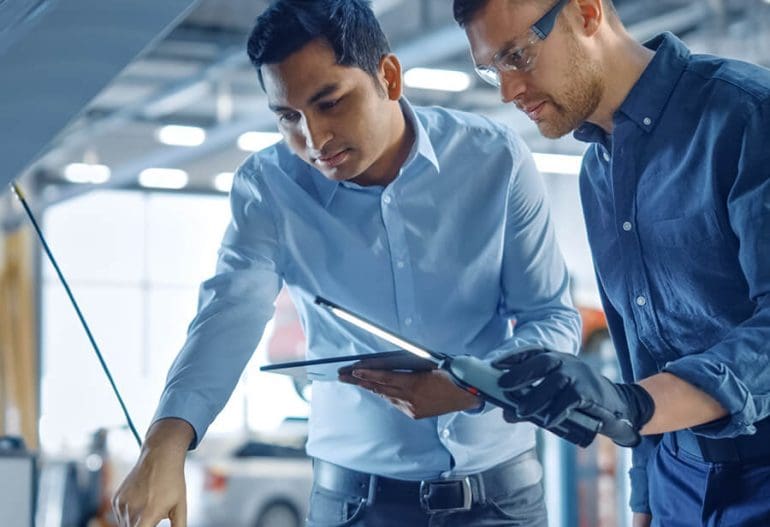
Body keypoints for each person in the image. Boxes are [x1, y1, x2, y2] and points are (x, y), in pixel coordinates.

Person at [112, 1, 582, 525]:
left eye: (330, 102)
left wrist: (471, 387)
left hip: (501, 499)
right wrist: (166, 442)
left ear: (388, 76)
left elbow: (552, 319)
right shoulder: (269, 188)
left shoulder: (496, 159)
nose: (313, 140)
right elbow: (229, 314)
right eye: (288, 117)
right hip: (354, 507)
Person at [453, 0, 770, 526]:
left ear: (586, 12)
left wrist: (634, 405)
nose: (508, 91)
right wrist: (643, 501)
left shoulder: (746, 117)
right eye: (492, 70)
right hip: (676, 478)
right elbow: (637, 349)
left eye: (518, 55)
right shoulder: (597, 174)